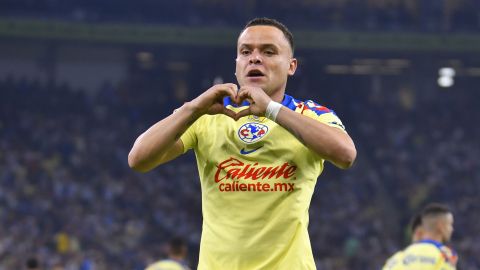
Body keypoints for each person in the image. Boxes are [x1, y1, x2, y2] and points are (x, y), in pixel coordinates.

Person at [128, 17, 356, 269]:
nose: (255, 58)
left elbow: (345, 154)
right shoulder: (206, 117)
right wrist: (193, 108)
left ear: (291, 66)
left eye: (269, 51)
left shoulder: (310, 114)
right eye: (246, 52)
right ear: (236, 64)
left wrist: (270, 109)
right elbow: (138, 159)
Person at [382, 203, 458, 270]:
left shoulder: (396, 259)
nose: (452, 229)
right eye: (450, 224)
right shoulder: (444, 255)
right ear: (441, 226)